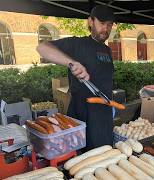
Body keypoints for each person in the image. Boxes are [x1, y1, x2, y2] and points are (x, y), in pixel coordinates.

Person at [36, 5, 115, 150]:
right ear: (90, 21)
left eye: (109, 25)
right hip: (83, 113)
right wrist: (71, 62)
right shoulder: (77, 44)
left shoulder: (107, 50)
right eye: (102, 23)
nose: (106, 29)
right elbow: (42, 48)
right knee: (84, 158)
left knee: (106, 154)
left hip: (104, 115)